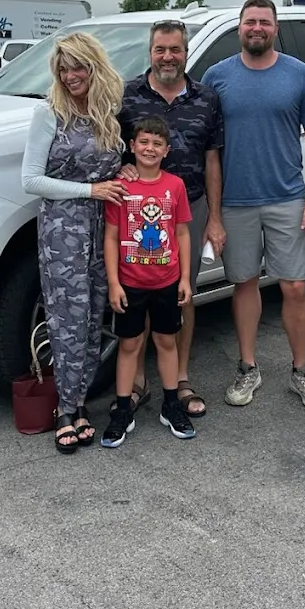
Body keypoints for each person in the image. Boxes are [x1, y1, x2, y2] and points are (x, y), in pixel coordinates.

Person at [202, 0, 305, 410]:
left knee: (295, 286)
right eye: (249, 22)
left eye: (264, 21)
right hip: (236, 202)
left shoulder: (300, 75)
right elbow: (210, 150)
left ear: (275, 28)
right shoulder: (217, 76)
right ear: (239, 28)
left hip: (288, 198)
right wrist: (215, 215)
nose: (256, 28)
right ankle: (247, 367)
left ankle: (301, 372)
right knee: (243, 283)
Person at [21, 32, 127, 453]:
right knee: (67, 316)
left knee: (94, 313)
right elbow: (30, 180)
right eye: (63, 69)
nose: (70, 76)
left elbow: (118, 164)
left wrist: (124, 178)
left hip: (106, 226)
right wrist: (91, 191)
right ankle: (66, 409)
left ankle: (81, 402)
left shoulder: (109, 111)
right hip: (63, 228)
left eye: (77, 67)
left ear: (94, 66)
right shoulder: (50, 113)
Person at [114, 18, 225, 418]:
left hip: (188, 209)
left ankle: (180, 379)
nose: (168, 57)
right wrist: (120, 170)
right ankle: (140, 382)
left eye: (175, 49)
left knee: (181, 293)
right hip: (136, 212)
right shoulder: (126, 96)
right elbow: (112, 149)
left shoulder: (206, 98)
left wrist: (213, 217)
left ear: (186, 52)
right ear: (150, 52)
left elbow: (212, 159)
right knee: (139, 293)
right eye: (160, 49)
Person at [101, 116, 197, 446]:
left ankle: (171, 405)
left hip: (167, 281)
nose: (149, 148)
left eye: (157, 144)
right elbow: (111, 237)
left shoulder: (175, 186)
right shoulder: (121, 187)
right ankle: (123, 408)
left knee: (166, 341)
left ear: (167, 150)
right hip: (131, 282)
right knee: (129, 344)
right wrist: (114, 282)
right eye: (143, 142)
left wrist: (185, 278)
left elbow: (182, 233)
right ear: (132, 146)